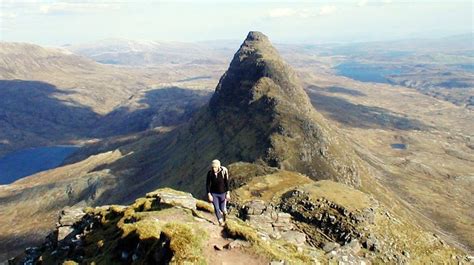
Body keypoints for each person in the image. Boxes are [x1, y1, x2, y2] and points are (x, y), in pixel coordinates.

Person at [206, 159, 230, 226]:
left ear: (219, 166)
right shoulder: (210, 173)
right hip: (214, 194)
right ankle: (220, 221)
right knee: (216, 208)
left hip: (223, 193)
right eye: (213, 167)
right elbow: (208, 184)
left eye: (215, 167)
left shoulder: (223, 172)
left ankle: (225, 215)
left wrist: (228, 193)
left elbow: (226, 183)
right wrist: (209, 194)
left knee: (222, 209)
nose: (214, 169)